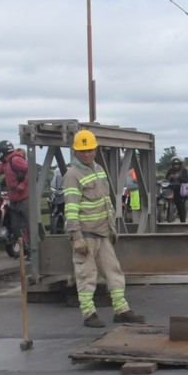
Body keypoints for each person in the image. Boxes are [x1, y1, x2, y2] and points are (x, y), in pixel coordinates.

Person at [62, 129, 142, 327]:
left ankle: (121, 309)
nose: (87, 154)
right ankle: (89, 314)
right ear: (75, 152)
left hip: (103, 232)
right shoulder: (72, 175)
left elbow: (107, 200)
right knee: (86, 274)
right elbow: (71, 207)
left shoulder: (98, 169)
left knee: (113, 271)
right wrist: (76, 236)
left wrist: (112, 228)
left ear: (95, 149)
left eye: (90, 150)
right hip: (86, 234)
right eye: (83, 151)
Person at [164, 157, 188, 223]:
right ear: (172, 164)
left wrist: (179, 177)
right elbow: (166, 179)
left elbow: (186, 180)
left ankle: (182, 221)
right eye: (175, 164)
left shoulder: (183, 170)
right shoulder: (170, 170)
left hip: (180, 191)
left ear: (180, 164)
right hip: (171, 189)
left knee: (181, 207)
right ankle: (168, 218)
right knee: (167, 201)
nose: (176, 165)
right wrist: (170, 177)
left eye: (178, 164)